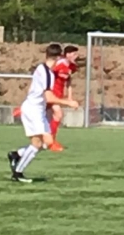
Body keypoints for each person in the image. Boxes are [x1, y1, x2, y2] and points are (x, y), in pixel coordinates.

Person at [7, 43, 80, 184]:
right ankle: (18, 173)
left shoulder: (42, 68)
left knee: (47, 143)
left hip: (37, 110)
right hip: (33, 110)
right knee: (38, 143)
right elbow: (49, 98)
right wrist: (68, 102)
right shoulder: (48, 74)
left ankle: (17, 154)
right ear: (58, 58)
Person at [48, 45, 79, 152]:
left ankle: (48, 140)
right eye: (74, 54)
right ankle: (50, 142)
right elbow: (48, 73)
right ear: (68, 54)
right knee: (58, 114)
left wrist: (70, 98)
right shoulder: (59, 64)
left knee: (52, 117)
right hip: (51, 93)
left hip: (58, 94)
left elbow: (68, 81)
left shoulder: (71, 66)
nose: (76, 56)